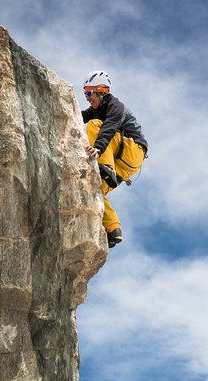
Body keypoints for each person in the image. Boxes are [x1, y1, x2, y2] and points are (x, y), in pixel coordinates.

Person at [81, 70, 148, 248]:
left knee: (95, 125)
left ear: (101, 90)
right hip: (127, 165)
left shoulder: (115, 107)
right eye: (85, 93)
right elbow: (78, 117)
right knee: (95, 189)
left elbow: (109, 128)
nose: (87, 97)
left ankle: (106, 167)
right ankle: (113, 229)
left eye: (89, 92)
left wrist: (98, 149)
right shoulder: (96, 109)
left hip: (132, 149)